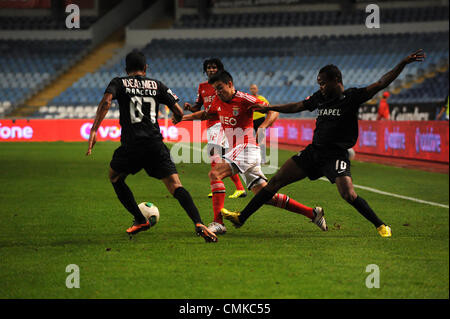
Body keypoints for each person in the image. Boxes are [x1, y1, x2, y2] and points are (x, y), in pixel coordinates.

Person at [221, 49, 426, 238]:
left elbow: (381, 82)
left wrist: (403, 63)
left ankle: (381, 225)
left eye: (323, 83)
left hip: (335, 155)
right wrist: (272, 107)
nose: (320, 87)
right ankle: (241, 218)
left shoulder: (352, 97)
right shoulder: (320, 97)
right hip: (314, 152)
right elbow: (298, 105)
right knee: (275, 182)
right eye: (319, 83)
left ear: (336, 80)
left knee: (348, 194)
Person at [86, 51, 217, 243]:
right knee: (175, 185)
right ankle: (198, 223)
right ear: (146, 68)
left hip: (132, 145)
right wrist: (178, 118)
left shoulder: (118, 82)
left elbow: (106, 101)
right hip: (155, 144)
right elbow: (179, 112)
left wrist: (94, 130)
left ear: (126, 69)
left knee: (115, 177)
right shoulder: (157, 85)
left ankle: (140, 219)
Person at [175, 70, 328, 234]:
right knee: (266, 196)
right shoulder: (218, 101)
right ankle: (312, 213)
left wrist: (263, 126)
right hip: (238, 150)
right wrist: (182, 118)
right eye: (215, 90)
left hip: (247, 148)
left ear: (230, 84)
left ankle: (218, 222)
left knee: (215, 173)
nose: (218, 92)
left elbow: (272, 111)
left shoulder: (244, 99)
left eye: (220, 88)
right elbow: (206, 114)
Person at [184, 58, 247, 199]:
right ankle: (240, 188)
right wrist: (190, 108)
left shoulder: (222, 85)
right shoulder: (202, 87)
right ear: (205, 70)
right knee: (223, 156)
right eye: (208, 67)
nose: (211, 70)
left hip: (221, 122)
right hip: (210, 124)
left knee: (213, 152)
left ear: (219, 69)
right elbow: (198, 106)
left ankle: (217, 185)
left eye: (214, 67)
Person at [249, 84, 279, 164]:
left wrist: (270, 121)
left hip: (260, 120)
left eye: (254, 88)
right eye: (252, 88)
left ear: (257, 89)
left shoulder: (262, 99)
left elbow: (270, 110)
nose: (253, 90)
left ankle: (263, 158)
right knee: (251, 140)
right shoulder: (249, 99)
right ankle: (254, 158)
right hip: (251, 121)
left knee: (261, 140)